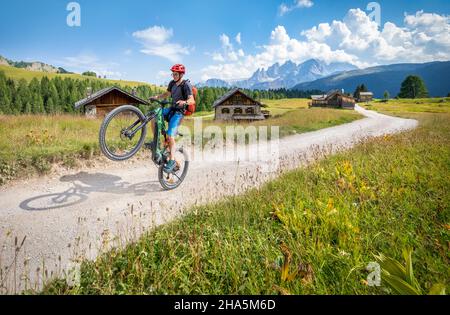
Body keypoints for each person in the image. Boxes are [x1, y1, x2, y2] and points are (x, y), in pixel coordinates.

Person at [149, 64, 195, 173]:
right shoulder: (172, 83)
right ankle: (155, 141)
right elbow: (167, 93)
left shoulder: (186, 84)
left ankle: (172, 161)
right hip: (171, 109)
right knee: (155, 115)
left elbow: (192, 100)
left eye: (176, 74)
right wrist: (157, 97)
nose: (173, 76)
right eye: (173, 74)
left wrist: (184, 102)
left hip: (179, 113)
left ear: (181, 74)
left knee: (170, 136)